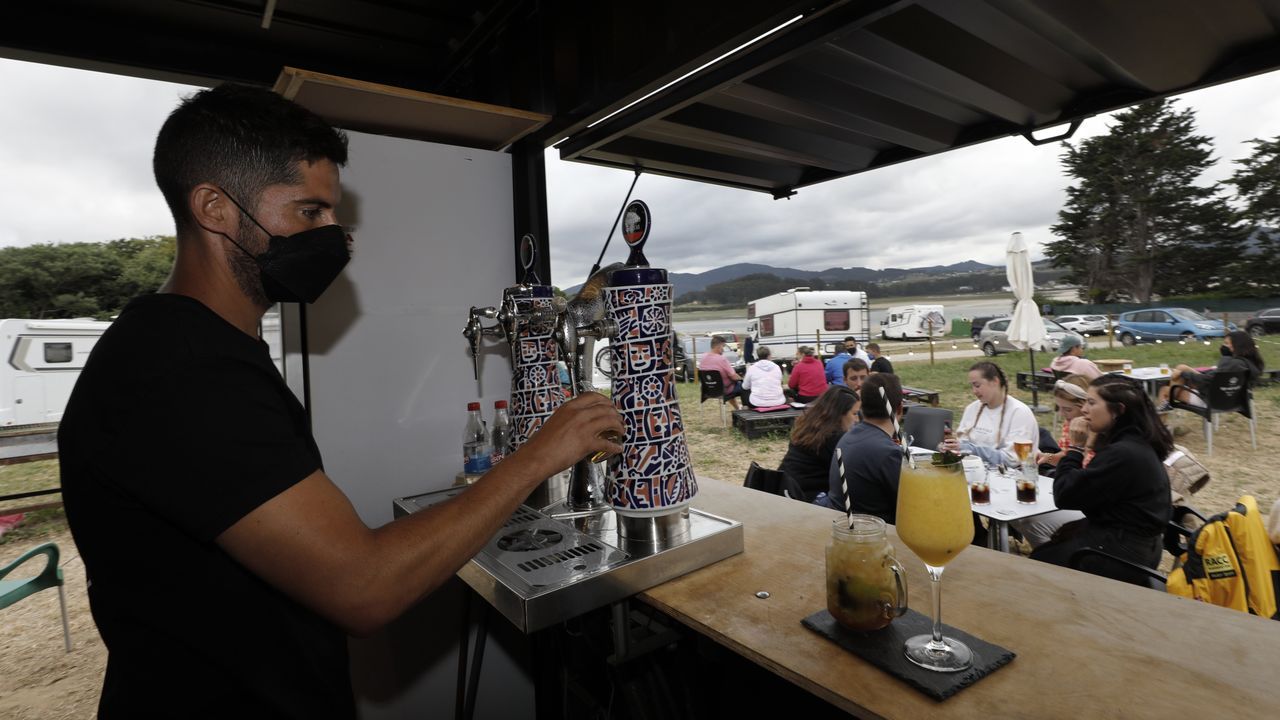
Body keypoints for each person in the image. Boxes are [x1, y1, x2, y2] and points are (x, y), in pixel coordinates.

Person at [56, 84, 626, 718]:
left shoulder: (201, 351)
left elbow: (320, 556)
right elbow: (365, 587)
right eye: (309, 213)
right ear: (215, 208)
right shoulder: (182, 371)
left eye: (333, 215)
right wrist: (537, 456)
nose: (336, 239)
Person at [1030, 376, 1174, 580]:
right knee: (1048, 547)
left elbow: (1064, 495)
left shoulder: (1123, 453)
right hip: (1140, 544)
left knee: (1039, 566)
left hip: (1122, 551)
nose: (1085, 409)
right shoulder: (1136, 441)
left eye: (1091, 402)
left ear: (1118, 410)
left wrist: (1075, 448)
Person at [821, 373, 904, 523]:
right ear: (899, 409)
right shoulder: (889, 454)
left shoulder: (847, 438)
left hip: (840, 524)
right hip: (872, 534)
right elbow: (912, 506)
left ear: (862, 405)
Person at [942, 361, 1038, 467]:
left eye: (977, 385)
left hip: (1010, 477)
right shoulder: (972, 409)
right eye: (972, 386)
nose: (974, 391)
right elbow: (962, 444)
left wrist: (969, 449)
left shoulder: (1019, 412)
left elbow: (1012, 460)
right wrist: (950, 448)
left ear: (995, 381)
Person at [779, 385, 859, 501]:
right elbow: (851, 472)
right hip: (807, 497)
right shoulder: (834, 437)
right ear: (840, 413)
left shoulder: (809, 425)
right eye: (855, 414)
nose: (857, 420)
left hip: (786, 488)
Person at [1159, 330, 1265, 409]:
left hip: (1213, 400)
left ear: (1237, 346)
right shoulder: (1251, 363)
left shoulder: (1233, 363)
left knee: (1165, 390)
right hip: (1234, 398)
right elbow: (1217, 375)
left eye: (1227, 344)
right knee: (1182, 368)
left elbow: (1208, 380)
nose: (1223, 346)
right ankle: (1168, 404)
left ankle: (1162, 423)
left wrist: (1183, 374)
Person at [698, 334, 743, 409]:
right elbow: (733, 376)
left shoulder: (703, 358)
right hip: (724, 390)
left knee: (728, 383)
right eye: (723, 346)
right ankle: (744, 409)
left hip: (708, 390)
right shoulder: (722, 359)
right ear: (719, 346)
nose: (723, 349)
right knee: (744, 386)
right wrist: (742, 379)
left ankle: (737, 407)